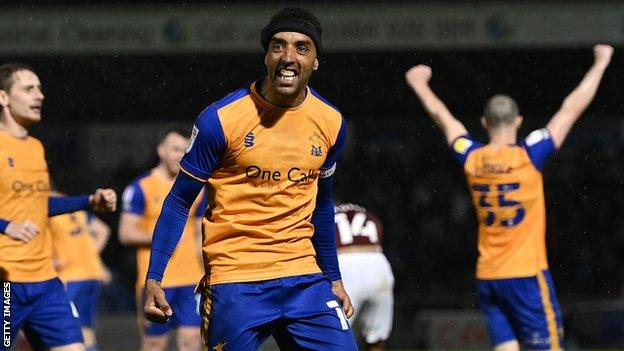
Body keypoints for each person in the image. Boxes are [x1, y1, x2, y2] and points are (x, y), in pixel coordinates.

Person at [142, 7, 358, 351]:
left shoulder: (331, 123)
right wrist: (154, 276)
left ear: (316, 61)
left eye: (302, 48)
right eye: (278, 46)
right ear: (266, 57)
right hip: (236, 280)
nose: (289, 57)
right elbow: (180, 200)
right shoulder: (221, 120)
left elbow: (322, 203)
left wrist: (333, 277)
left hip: (304, 277)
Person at [405, 45, 613, 351]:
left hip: (489, 276)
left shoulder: (472, 158)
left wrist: (419, 84)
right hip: (526, 275)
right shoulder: (530, 155)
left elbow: (444, 119)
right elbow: (571, 108)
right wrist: (601, 62)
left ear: (485, 123)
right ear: (518, 121)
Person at [0, 63, 117, 351]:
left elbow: (41, 204)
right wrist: (7, 226)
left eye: (39, 88)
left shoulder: (35, 147)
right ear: (3, 97)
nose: (39, 95)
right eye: (28, 89)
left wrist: (89, 201)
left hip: (46, 283)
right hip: (6, 284)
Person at [119, 129, 204, 351]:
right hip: (156, 282)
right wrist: (163, 238)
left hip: (191, 281)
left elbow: (199, 234)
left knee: (191, 340)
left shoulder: (195, 188)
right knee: (155, 344)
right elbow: (126, 233)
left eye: (185, 150)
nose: (180, 155)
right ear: (161, 150)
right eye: (175, 149)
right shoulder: (141, 187)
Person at [49, 196, 112, 351]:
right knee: (85, 330)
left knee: (60, 331)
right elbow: (103, 230)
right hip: (92, 274)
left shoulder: (42, 204)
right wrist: (88, 256)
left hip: (69, 277)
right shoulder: (70, 204)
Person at [334, 203, 394, 351]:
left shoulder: (324, 211)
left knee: (334, 337)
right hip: (378, 262)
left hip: (344, 263)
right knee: (376, 338)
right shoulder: (367, 213)